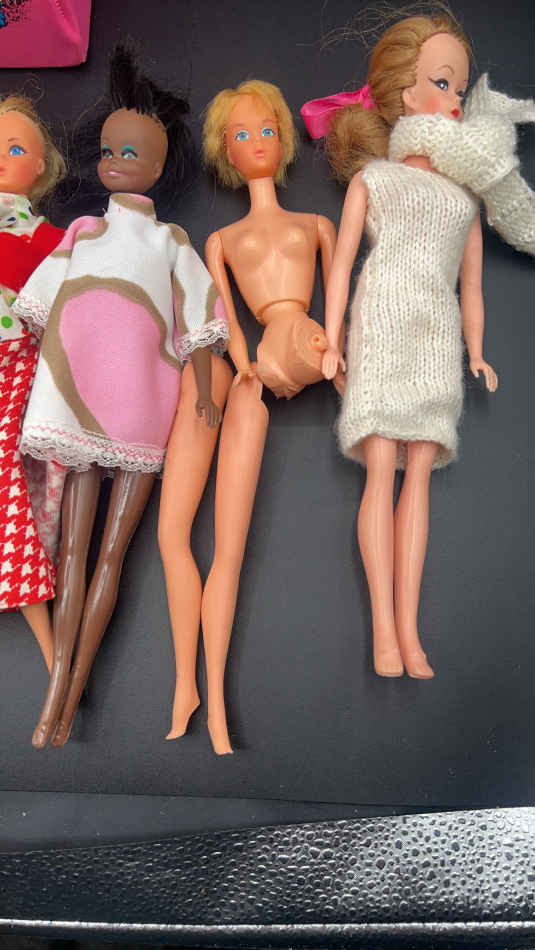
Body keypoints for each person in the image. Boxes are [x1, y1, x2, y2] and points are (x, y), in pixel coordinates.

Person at [14, 46, 227, 748]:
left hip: (140, 404)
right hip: (79, 397)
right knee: (77, 554)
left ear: (158, 167)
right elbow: (36, 312)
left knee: (107, 554)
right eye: (109, 150)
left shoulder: (171, 241)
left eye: (130, 152)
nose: (114, 161)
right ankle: (56, 699)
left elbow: (200, 325)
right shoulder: (81, 231)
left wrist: (203, 392)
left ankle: (66, 694)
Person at [303, 13, 501, 678]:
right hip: (383, 322)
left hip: (436, 333)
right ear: (403, 93)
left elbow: (471, 286)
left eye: (459, 89)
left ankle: (410, 633)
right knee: (381, 463)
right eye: (441, 83)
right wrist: (332, 338)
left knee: (417, 473)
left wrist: (476, 351)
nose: (454, 100)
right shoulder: (375, 180)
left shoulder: (463, 197)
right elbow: (341, 265)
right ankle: (384, 635)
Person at [158, 80, 337, 754]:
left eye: (266, 130)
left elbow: (337, 304)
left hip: (297, 354)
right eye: (241, 134)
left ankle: (215, 703)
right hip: (243, 370)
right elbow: (226, 317)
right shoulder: (222, 239)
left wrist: (333, 356)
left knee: (228, 546)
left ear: (283, 140)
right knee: (176, 534)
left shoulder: (315, 226)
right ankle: (186, 684)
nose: (256, 141)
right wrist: (242, 365)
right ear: (225, 152)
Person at [0, 95, 65, 672]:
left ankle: (52, 646)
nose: (2, 157)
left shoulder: (50, 240)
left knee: (21, 473)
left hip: (22, 361)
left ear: (40, 166)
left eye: (16, 148)